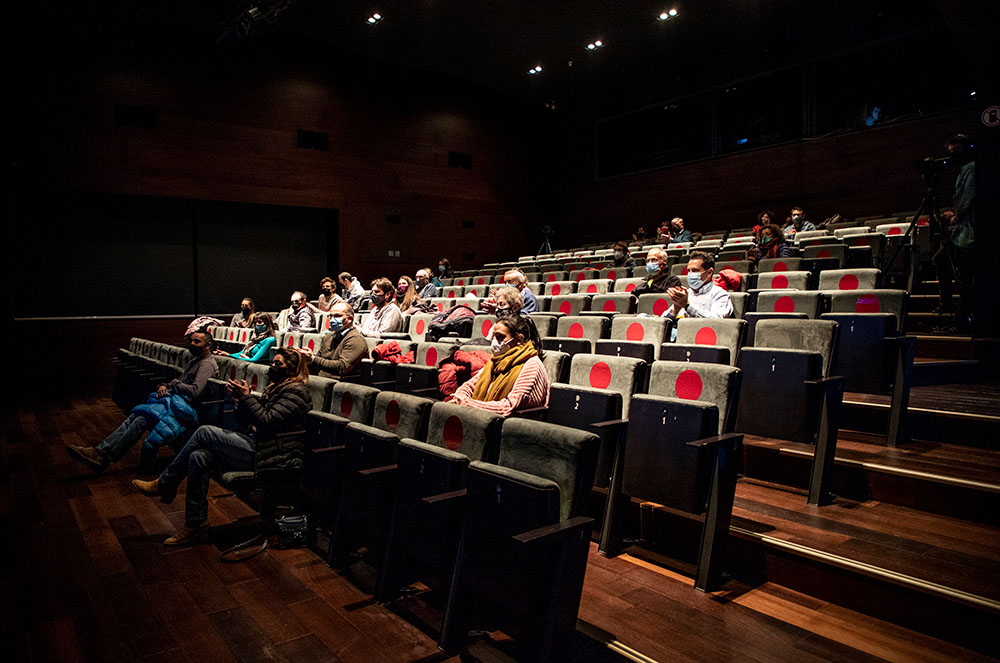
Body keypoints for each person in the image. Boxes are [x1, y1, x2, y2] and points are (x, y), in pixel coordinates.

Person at [131, 348, 312, 545]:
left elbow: (267, 422)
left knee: (205, 432)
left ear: (292, 370)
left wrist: (247, 398)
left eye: (278, 364)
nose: (272, 367)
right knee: (199, 456)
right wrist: (240, 402)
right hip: (261, 446)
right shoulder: (277, 387)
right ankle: (195, 525)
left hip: (274, 455)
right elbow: (250, 423)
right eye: (273, 363)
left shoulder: (297, 392)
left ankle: (166, 483)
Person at [66, 331, 218, 473]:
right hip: (175, 404)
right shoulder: (195, 361)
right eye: (191, 341)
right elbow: (180, 384)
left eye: (196, 342)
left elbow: (194, 391)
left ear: (207, 345)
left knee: (141, 419)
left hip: (185, 411)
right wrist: (166, 385)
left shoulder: (206, 365)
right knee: (136, 415)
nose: (191, 344)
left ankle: (102, 455)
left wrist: (175, 384)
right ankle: (100, 452)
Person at [446, 315, 549, 417]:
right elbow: (469, 385)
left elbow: (510, 407)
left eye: (500, 337)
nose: (494, 341)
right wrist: (460, 397)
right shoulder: (496, 361)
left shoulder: (532, 365)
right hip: (483, 420)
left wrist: (467, 404)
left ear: (519, 339)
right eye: (493, 337)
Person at [934, 133, 976, 331]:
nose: (952, 156)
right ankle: (948, 305)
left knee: (967, 278)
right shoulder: (965, 170)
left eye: (955, 151)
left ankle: (961, 318)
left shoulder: (972, 169)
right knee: (941, 260)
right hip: (962, 231)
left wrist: (957, 215)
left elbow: (968, 199)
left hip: (969, 234)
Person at [301, 302, 367, 379]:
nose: (332, 320)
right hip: (322, 380)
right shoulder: (328, 337)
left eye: (337, 316)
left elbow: (342, 368)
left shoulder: (356, 339)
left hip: (341, 384)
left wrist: (313, 359)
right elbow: (317, 362)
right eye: (331, 316)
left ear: (350, 319)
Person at [661, 251, 734, 319]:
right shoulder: (686, 293)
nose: (690, 274)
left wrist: (687, 305)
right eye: (689, 271)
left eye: (695, 270)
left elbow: (716, 321)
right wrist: (675, 309)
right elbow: (663, 322)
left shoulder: (720, 294)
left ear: (709, 272)